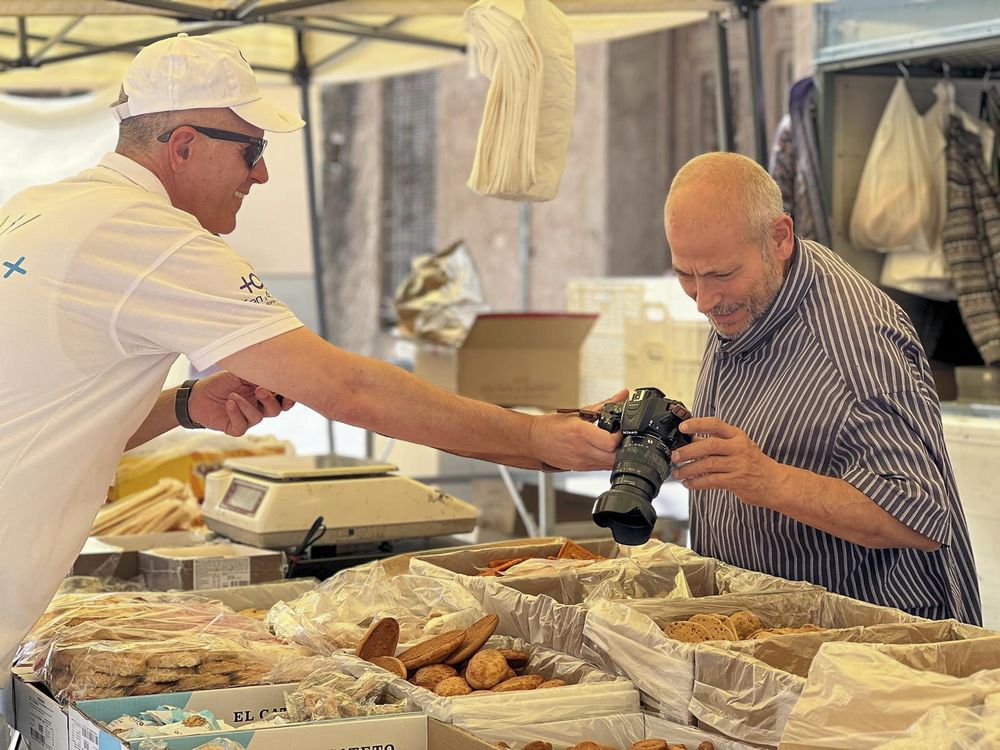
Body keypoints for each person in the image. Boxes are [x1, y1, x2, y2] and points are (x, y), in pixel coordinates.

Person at [0, 34, 623, 680]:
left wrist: (185, 403)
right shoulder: (151, 236)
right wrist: (532, 436)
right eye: (251, 150)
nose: (260, 174)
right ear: (183, 146)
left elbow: (52, 414)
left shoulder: (40, 210)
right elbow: (350, 390)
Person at [663, 151, 981, 625]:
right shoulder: (754, 293)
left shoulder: (855, 342)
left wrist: (768, 480)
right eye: (686, 275)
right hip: (774, 639)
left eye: (721, 275)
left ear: (781, 238)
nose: (703, 300)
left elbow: (919, 514)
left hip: (873, 657)